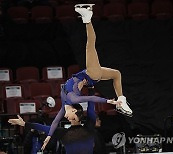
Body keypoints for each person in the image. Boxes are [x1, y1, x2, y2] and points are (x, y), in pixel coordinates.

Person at [42, 3, 133, 150]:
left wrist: (48, 137)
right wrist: (109, 100)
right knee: (90, 45)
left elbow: (53, 123)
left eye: (68, 118)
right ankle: (87, 17)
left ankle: (122, 99)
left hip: (88, 75)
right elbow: (89, 98)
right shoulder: (72, 99)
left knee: (116, 74)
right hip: (91, 74)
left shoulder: (64, 105)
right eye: (71, 118)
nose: (66, 117)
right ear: (74, 111)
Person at [8, 101, 102, 154]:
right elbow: (43, 128)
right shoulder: (63, 132)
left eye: (68, 111)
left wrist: (91, 88)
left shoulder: (88, 127)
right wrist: (24, 124)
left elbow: (91, 107)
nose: (65, 114)